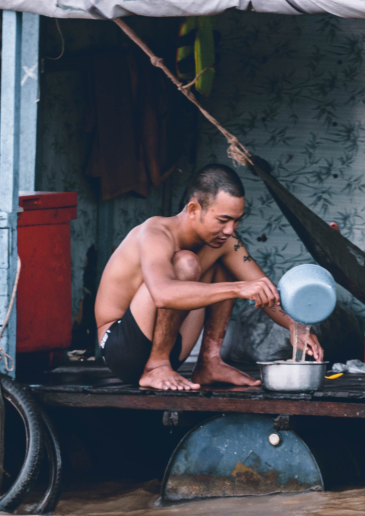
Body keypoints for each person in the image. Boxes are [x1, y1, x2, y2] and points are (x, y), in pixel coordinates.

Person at [94, 164, 323, 391]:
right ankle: (157, 365)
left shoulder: (224, 242)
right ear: (194, 210)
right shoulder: (155, 233)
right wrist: (236, 289)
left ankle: (210, 362)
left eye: (236, 220)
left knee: (223, 260)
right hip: (121, 347)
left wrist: (295, 328)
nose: (230, 230)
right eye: (223, 220)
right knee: (186, 263)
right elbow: (163, 295)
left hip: (171, 346)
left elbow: (263, 289)